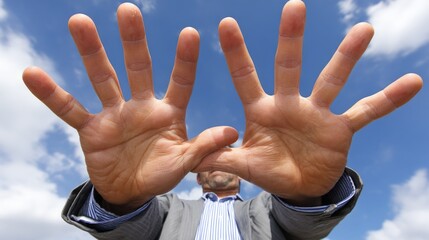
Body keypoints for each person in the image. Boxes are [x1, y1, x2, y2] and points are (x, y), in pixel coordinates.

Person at [22, 1, 422, 239]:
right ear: (198, 174)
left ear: (242, 172)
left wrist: (305, 195)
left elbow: (303, 228)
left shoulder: (267, 209)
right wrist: (122, 199)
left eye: (229, 153)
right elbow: (133, 233)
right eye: (212, 157)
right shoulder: (167, 210)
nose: (219, 157)